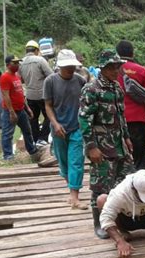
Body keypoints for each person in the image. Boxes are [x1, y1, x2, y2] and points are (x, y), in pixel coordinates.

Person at [79, 49, 135, 239]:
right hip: (101, 146)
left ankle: (118, 222)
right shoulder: (91, 89)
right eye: (111, 67)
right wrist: (91, 147)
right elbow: (84, 120)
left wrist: (127, 138)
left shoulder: (117, 88)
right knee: (100, 186)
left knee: (122, 185)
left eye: (117, 66)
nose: (115, 70)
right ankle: (100, 224)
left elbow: (122, 117)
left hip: (119, 144)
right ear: (102, 68)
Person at [43, 49, 87, 210]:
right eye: (67, 66)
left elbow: (86, 103)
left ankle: (75, 197)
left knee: (76, 161)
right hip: (58, 128)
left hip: (77, 127)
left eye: (72, 66)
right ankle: (72, 193)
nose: (70, 69)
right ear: (60, 66)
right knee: (64, 163)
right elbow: (47, 105)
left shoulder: (81, 81)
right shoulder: (50, 81)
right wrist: (55, 123)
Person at [116, 40, 145, 170]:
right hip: (137, 118)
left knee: (119, 154)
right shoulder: (142, 71)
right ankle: (140, 182)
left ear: (117, 53)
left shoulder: (111, 70)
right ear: (133, 52)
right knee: (139, 156)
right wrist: (144, 111)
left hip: (116, 119)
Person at [0, 55, 41, 161]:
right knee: (8, 133)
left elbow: (20, 94)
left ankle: (32, 150)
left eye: (18, 63)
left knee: (27, 130)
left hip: (21, 109)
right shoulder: (5, 77)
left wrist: (27, 108)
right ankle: (8, 156)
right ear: (8, 64)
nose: (17, 65)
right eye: (15, 63)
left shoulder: (17, 76)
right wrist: (11, 112)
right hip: (10, 111)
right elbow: (6, 95)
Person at [19, 40, 53, 145]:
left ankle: (35, 139)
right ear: (37, 50)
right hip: (42, 94)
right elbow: (51, 76)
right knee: (50, 115)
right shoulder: (41, 60)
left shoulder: (21, 62)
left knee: (33, 118)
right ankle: (43, 138)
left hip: (29, 96)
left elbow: (21, 80)